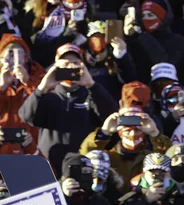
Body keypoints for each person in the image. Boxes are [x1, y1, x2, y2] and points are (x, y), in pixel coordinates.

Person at [19, 43, 118, 176]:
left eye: (75, 63)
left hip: (83, 166)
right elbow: (25, 116)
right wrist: (42, 88)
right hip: (50, 166)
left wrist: (91, 85)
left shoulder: (92, 95)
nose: (70, 67)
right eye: (65, 64)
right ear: (56, 66)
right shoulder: (47, 96)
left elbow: (109, 116)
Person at [79, 106, 171, 194]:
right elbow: (85, 157)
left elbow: (168, 159)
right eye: (127, 131)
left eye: (137, 130)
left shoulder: (149, 158)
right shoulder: (109, 157)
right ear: (120, 133)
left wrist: (155, 133)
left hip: (144, 202)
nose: (133, 134)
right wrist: (104, 132)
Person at [0, 34, 45, 156]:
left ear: (26, 58)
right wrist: (2, 87)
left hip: (30, 143)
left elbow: (45, 106)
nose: (14, 60)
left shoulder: (38, 75)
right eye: (9, 55)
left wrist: (27, 82)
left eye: (19, 54)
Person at [123, 0, 184, 84]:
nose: (146, 19)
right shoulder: (137, 38)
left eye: (150, 15)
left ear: (163, 17)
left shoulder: (178, 40)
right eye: (143, 15)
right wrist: (128, 37)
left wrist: (142, 34)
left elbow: (165, 64)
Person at [83, 21, 136, 102]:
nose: (99, 40)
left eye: (102, 37)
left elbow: (130, 80)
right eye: (95, 37)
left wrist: (122, 55)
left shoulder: (115, 60)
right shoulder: (80, 61)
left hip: (112, 106)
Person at [27, 0, 91, 68]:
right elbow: (33, 43)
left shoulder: (87, 9)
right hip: (44, 62)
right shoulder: (45, 9)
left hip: (76, 63)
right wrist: (67, 34)